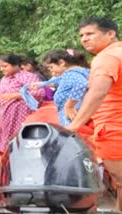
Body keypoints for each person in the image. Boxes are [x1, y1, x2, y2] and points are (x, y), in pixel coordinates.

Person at [67, 17, 122, 211]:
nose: (84, 39)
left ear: (110, 33)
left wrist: (73, 127)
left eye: (90, 34)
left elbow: (98, 92)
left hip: (114, 128)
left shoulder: (107, 57)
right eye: (82, 35)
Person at [0, 53, 45, 153]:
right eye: (0, 67)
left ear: (16, 64)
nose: (1, 69)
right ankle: (5, 156)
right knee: (5, 136)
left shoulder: (28, 76)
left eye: (5, 66)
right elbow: (0, 95)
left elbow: (39, 92)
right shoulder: (4, 79)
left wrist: (16, 95)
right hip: (7, 115)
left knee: (20, 136)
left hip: (23, 115)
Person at [38, 49, 90, 126]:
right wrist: (42, 84)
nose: (51, 71)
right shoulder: (75, 73)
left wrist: (69, 106)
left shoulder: (71, 73)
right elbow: (61, 81)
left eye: (51, 67)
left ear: (61, 63)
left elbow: (81, 84)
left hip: (72, 116)